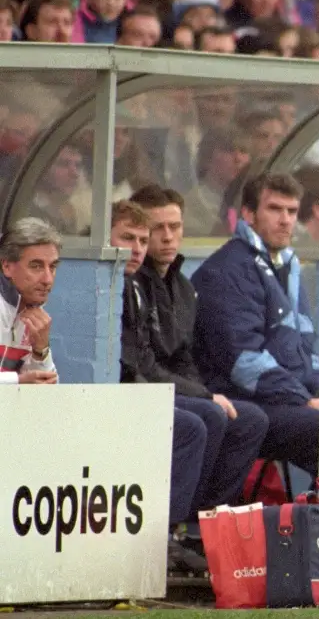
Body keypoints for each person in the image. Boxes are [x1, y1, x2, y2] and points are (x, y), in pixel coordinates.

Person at [128, 185, 270, 518]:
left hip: (176, 389)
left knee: (251, 419)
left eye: (174, 227)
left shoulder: (182, 286)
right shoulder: (131, 283)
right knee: (209, 414)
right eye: (157, 228)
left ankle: (207, 517)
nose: (167, 237)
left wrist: (203, 392)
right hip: (144, 388)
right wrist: (204, 397)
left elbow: (184, 357)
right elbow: (143, 364)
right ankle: (174, 520)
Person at [190, 173, 319, 477]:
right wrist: (304, 400)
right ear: (249, 214)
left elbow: (306, 348)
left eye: (292, 211)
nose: (285, 220)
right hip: (244, 401)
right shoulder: (228, 270)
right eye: (275, 209)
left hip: (284, 398)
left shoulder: (288, 266)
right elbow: (244, 362)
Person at [108, 200, 209, 576]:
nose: (136, 248)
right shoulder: (115, 284)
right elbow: (135, 364)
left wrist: (200, 392)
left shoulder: (142, 285)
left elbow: (170, 356)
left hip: (139, 388)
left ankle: (190, 529)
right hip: (113, 396)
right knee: (193, 425)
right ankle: (161, 535)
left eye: (141, 239)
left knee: (220, 416)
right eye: (127, 238)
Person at [0, 218, 59, 385]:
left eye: (52, 267)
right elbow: (23, 382)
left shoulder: (35, 316)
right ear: (7, 266)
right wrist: (17, 381)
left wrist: (40, 352)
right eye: (36, 266)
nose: (48, 279)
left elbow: (48, 389)